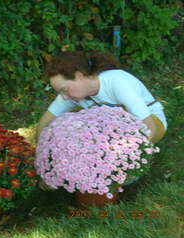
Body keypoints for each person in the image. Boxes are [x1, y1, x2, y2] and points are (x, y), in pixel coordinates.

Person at [36, 50, 167, 189]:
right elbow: (44, 123)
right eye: (60, 92)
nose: (64, 97)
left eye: (65, 89)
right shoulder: (72, 94)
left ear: (79, 76)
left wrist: (129, 156)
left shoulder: (116, 82)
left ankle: (114, 179)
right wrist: (44, 158)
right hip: (111, 130)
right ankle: (84, 178)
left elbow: (149, 127)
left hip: (150, 120)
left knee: (98, 145)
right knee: (65, 130)